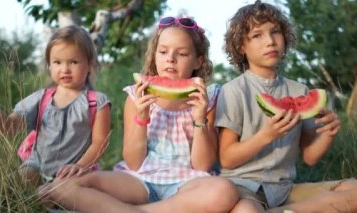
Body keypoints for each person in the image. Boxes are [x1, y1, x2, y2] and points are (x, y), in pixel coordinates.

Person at [42, 16, 239, 212]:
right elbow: (134, 163)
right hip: (139, 180)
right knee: (69, 184)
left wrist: (199, 119)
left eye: (182, 53)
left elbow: (202, 165)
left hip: (188, 184)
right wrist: (142, 118)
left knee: (224, 190)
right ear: (155, 55)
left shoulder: (208, 98)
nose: (170, 58)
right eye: (163, 51)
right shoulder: (136, 96)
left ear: (198, 61)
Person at [215, 1, 357, 212]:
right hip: (244, 188)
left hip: (285, 189)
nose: (270, 41)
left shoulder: (300, 91)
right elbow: (227, 159)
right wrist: (267, 135)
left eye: (276, 32)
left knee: (354, 190)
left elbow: (309, 157)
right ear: (241, 47)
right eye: (257, 35)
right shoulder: (233, 91)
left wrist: (328, 133)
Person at [0, 25, 111, 187]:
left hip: (74, 173)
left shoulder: (97, 102)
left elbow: (100, 143)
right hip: (37, 168)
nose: (65, 69)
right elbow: (10, 127)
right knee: (8, 186)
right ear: (49, 65)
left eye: (73, 62)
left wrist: (79, 166)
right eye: (57, 62)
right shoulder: (41, 98)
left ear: (90, 65)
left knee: (69, 197)